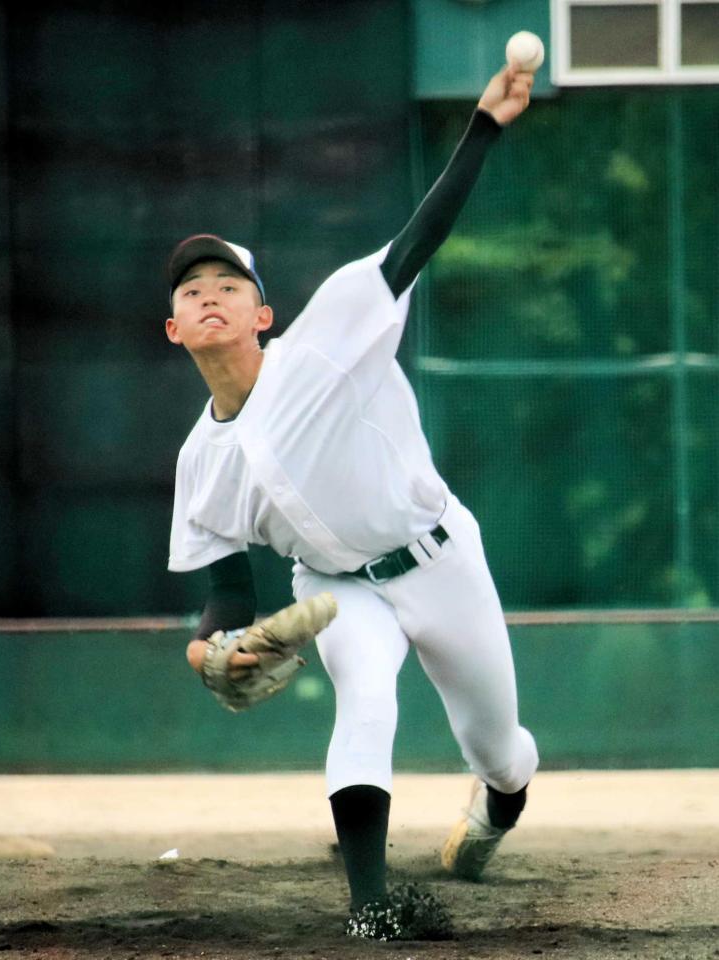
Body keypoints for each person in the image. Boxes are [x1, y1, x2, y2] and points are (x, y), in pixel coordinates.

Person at [165, 65, 539, 939]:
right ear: (175, 330)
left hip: (440, 555)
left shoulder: (328, 334)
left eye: (229, 284)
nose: (211, 293)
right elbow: (228, 589)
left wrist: (483, 124)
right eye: (191, 290)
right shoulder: (199, 461)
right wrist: (211, 646)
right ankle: (371, 909)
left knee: (502, 749)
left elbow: (416, 242)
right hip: (338, 588)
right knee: (366, 697)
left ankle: (493, 812)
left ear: (264, 315)